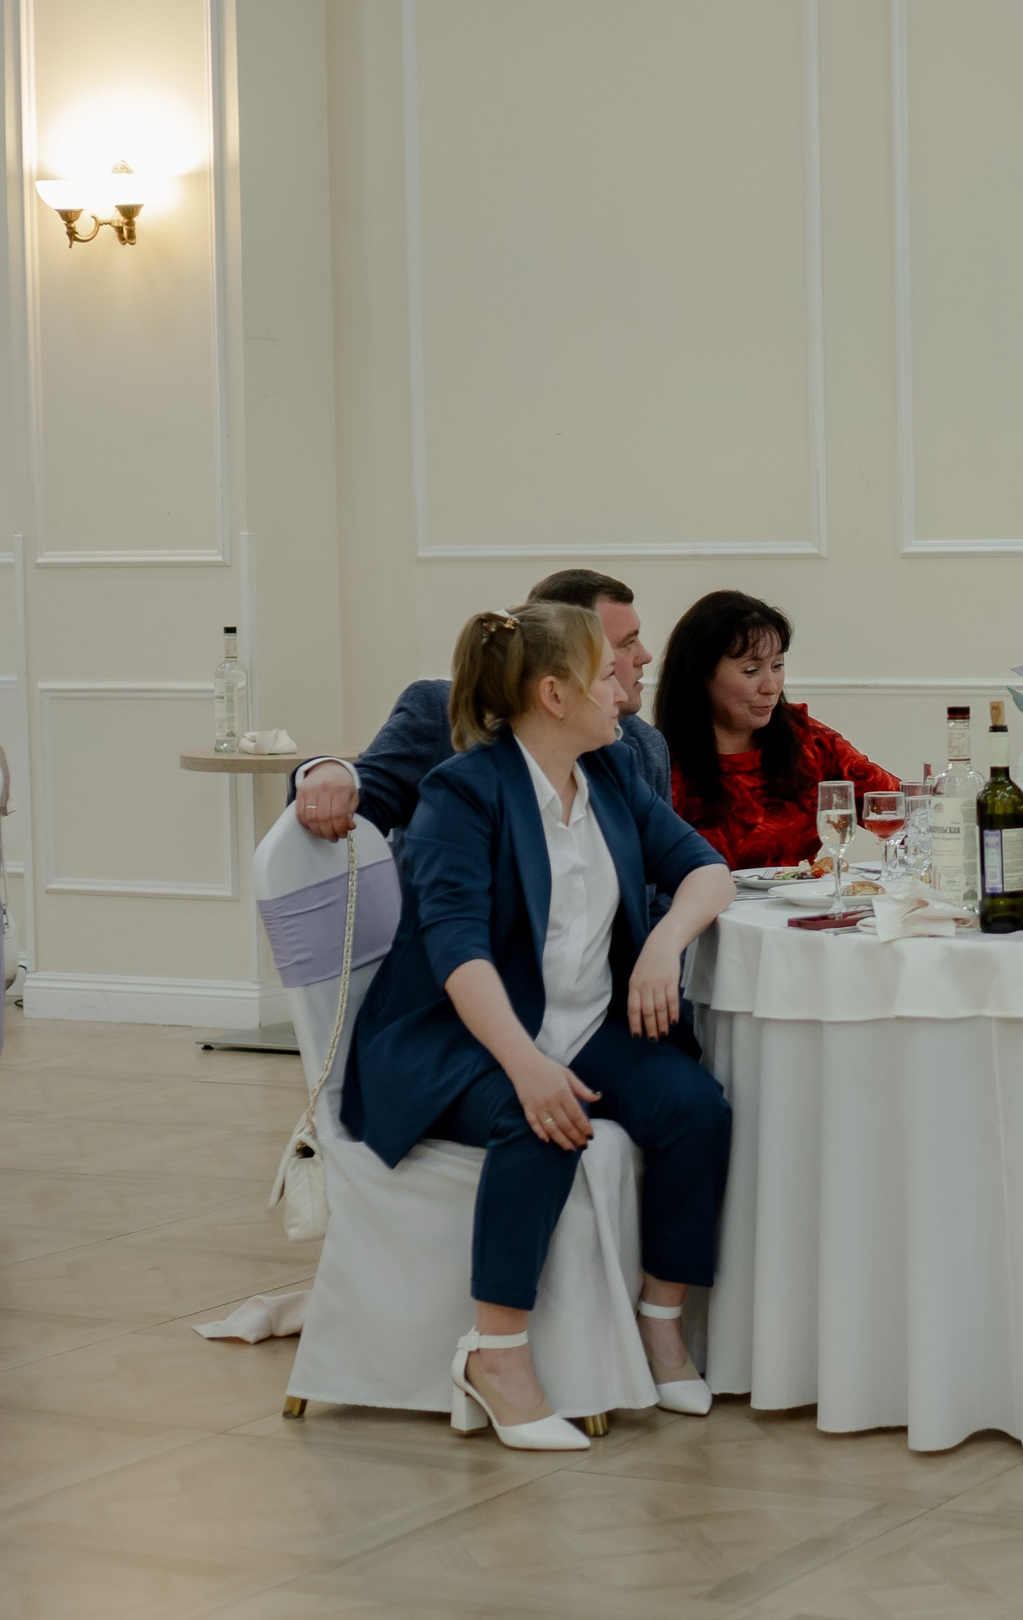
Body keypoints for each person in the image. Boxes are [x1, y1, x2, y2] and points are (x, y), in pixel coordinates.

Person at [341, 603, 738, 1450]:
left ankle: (659, 1320)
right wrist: (525, 1065)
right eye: (606, 677)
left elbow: (707, 869)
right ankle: (498, 1354)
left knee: (695, 1108)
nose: (624, 692)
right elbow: (456, 952)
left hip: (585, 1023)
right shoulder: (462, 790)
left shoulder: (611, 773)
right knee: (543, 1118)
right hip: (460, 1038)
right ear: (554, 695)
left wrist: (663, 943)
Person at [291, 569, 664, 842]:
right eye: (626, 642)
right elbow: (356, 809)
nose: (645, 656)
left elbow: (664, 883)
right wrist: (330, 771)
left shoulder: (642, 747)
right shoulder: (441, 714)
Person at [654, 590, 898, 870]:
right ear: (699, 673)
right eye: (751, 671)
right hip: (704, 900)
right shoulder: (657, 760)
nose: (771, 687)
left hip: (801, 898)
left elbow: (896, 805)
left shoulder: (805, 738)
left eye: (777, 665)